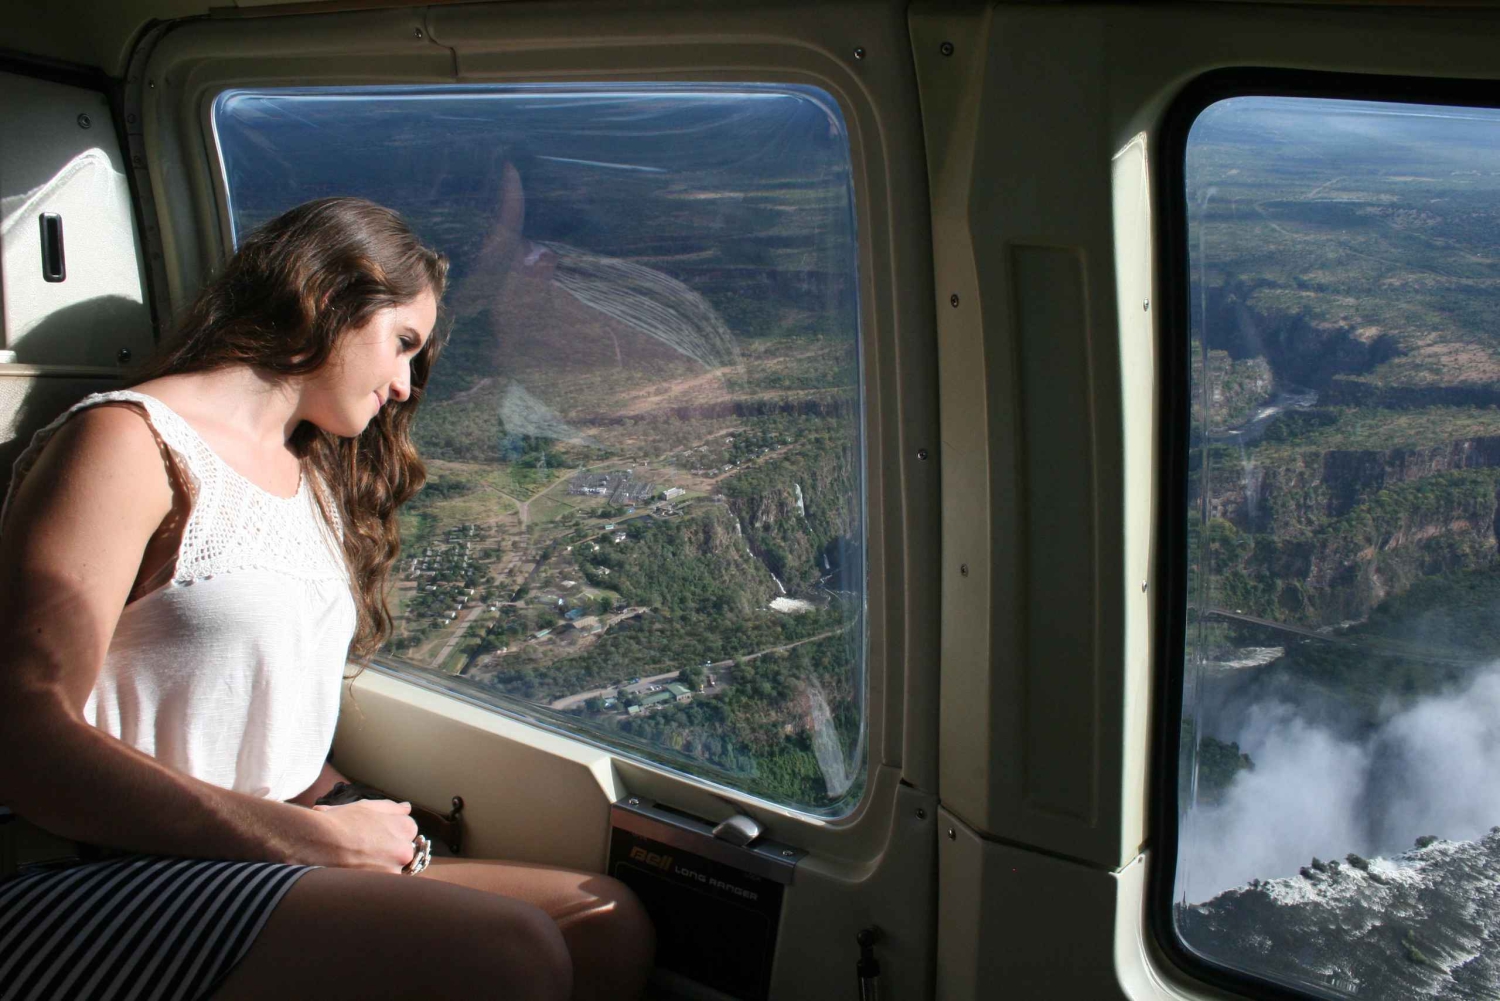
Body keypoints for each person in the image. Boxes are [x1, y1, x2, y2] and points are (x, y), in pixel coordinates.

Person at [0, 197, 654, 1001]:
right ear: (335, 297)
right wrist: (311, 840)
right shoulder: (129, 443)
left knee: (605, 924)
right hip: (113, 872)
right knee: (511, 952)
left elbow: (255, 735)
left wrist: (355, 816)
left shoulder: (308, 477)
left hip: (259, 858)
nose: (406, 384)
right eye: (403, 344)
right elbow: (24, 740)